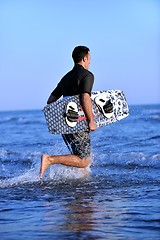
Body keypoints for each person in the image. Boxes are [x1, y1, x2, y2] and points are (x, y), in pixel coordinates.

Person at [40, 46, 97, 178]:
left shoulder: (65, 77)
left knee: (80, 156)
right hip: (78, 122)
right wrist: (91, 120)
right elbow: (85, 97)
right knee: (84, 160)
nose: (89, 62)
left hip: (65, 123)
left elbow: (51, 100)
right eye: (89, 59)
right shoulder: (87, 75)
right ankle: (49, 159)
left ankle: (81, 183)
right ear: (84, 58)